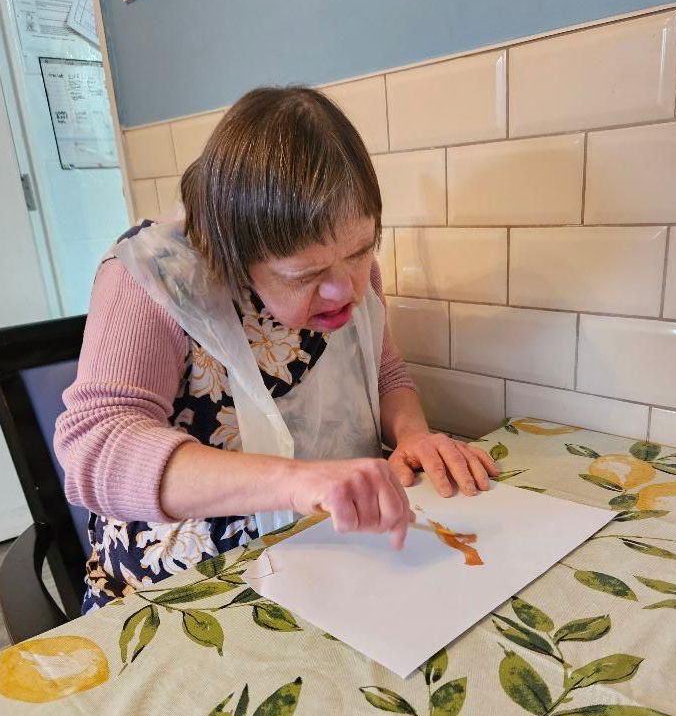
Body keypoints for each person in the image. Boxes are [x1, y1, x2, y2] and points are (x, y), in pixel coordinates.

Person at [54, 87, 499, 612]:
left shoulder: (356, 281)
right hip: (189, 583)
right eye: (306, 275)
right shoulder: (156, 281)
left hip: (333, 550)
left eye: (360, 252)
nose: (346, 290)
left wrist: (412, 435)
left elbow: (386, 375)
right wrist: (297, 482)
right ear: (233, 255)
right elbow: (95, 451)